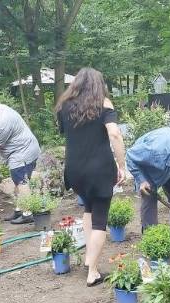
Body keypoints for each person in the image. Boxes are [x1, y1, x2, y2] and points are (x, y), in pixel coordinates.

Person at [56, 67, 126, 287]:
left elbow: (66, 135)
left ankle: (89, 258)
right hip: (99, 170)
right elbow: (114, 133)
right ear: (98, 84)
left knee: (87, 208)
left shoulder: (64, 107)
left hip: (74, 170)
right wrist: (122, 165)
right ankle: (93, 272)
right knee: (100, 221)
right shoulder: (104, 104)